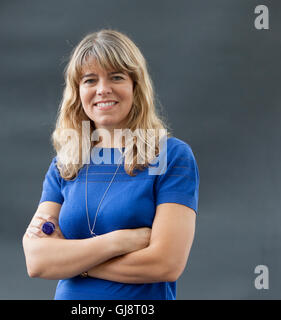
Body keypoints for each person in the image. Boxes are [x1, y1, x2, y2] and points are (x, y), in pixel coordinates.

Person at [22, 29, 199, 300]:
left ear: (135, 87)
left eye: (116, 77)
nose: (103, 89)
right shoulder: (65, 164)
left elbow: (165, 264)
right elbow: (37, 260)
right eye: (90, 80)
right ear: (78, 92)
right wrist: (120, 242)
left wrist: (73, 262)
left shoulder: (171, 156)